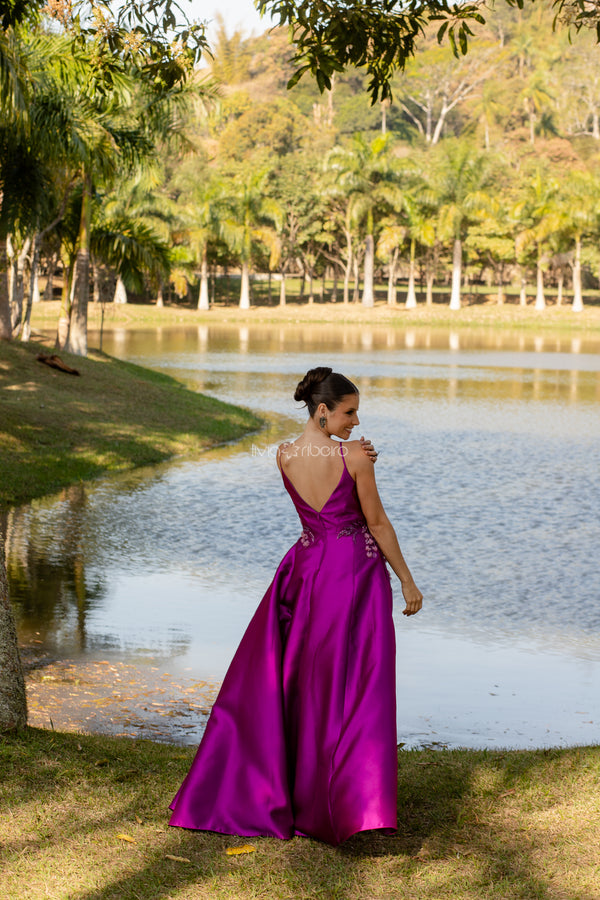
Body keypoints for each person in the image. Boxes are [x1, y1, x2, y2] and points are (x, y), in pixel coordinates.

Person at [169, 366, 423, 846]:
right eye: (349, 413)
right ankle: (345, 803)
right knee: (352, 685)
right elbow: (378, 522)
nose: (356, 422)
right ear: (323, 410)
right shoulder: (354, 458)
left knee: (301, 683)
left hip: (304, 573)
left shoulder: (284, 454)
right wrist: (407, 579)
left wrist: (353, 451)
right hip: (351, 575)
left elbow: (318, 506)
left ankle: (304, 794)